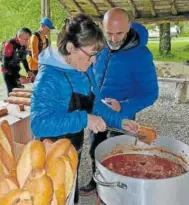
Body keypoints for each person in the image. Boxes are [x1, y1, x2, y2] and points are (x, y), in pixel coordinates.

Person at [30, 13, 140, 204]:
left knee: (71, 194)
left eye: (96, 55)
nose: (93, 61)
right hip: (51, 153)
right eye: (91, 55)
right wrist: (84, 119)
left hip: (74, 148)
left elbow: (96, 106)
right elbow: (39, 124)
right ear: (70, 47)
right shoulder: (48, 78)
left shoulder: (85, 69)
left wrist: (120, 121)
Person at [79, 8, 159, 196]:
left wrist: (123, 106)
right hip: (97, 110)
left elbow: (151, 93)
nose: (113, 39)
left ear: (129, 27)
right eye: (109, 33)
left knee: (117, 154)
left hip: (122, 114)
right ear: (102, 27)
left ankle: (115, 191)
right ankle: (95, 180)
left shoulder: (141, 55)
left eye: (119, 33)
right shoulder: (99, 46)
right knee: (94, 149)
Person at [0, 27, 33, 93]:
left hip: (15, 70)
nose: (27, 42)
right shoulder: (9, 45)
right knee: (12, 93)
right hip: (8, 72)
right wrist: (19, 77)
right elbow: (5, 66)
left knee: (18, 92)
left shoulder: (23, 45)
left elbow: (24, 59)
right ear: (19, 37)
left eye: (28, 39)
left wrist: (28, 71)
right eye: (26, 39)